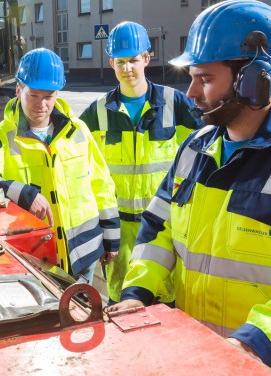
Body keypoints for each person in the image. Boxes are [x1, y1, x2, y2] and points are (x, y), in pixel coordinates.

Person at [105, 1, 271, 375]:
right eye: (192, 76)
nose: (191, 92)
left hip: (269, 363)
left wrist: (251, 342)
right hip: (193, 351)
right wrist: (137, 295)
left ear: (256, 80)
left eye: (205, 79)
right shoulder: (194, 149)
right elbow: (158, 230)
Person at [0, 48, 120, 283]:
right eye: (33, 95)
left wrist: (111, 237)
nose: (41, 104)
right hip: (37, 258)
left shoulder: (77, 131)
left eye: (48, 96)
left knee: (83, 315)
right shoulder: (2, 137)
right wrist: (20, 192)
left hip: (85, 252)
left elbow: (101, 184)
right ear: (18, 90)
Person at [79, 21, 202, 305]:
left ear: (146, 58)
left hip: (164, 230)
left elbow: (207, 151)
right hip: (118, 234)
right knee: (123, 307)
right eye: (120, 61)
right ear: (111, 63)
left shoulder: (175, 104)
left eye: (133, 60)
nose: (127, 68)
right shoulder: (96, 113)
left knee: (167, 307)